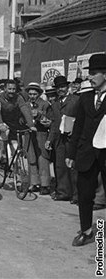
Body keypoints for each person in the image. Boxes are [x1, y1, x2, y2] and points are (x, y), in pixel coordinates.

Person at [66, 54, 106, 247]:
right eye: (89, 73)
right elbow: (78, 126)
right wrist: (71, 153)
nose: (90, 77)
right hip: (86, 153)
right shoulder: (85, 97)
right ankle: (87, 231)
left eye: (94, 73)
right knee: (84, 194)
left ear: (105, 75)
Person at [47, 75, 79, 203]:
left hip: (72, 138)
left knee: (73, 167)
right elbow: (54, 124)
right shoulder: (55, 104)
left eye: (63, 87)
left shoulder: (76, 100)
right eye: (58, 87)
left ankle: (76, 195)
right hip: (59, 139)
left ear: (68, 87)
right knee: (60, 166)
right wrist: (50, 140)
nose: (61, 89)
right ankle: (63, 192)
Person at [0, 79, 36, 168]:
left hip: (13, 122)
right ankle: (3, 154)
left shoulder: (19, 98)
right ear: (5, 89)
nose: (12, 91)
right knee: (5, 132)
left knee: (15, 145)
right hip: (1, 120)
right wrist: (0, 124)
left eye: (13, 89)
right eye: (9, 89)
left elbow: (25, 110)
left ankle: (15, 168)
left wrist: (31, 125)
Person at [25, 82, 53, 195]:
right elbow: (20, 119)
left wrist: (40, 115)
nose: (32, 96)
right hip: (28, 134)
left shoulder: (45, 104)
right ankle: (34, 183)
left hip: (41, 133)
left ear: (39, 94)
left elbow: (50, 119)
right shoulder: (25, 105)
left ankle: (45, 184)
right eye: (30, 94)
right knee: (31, 158)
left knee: (43, 158)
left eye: (34, 94)